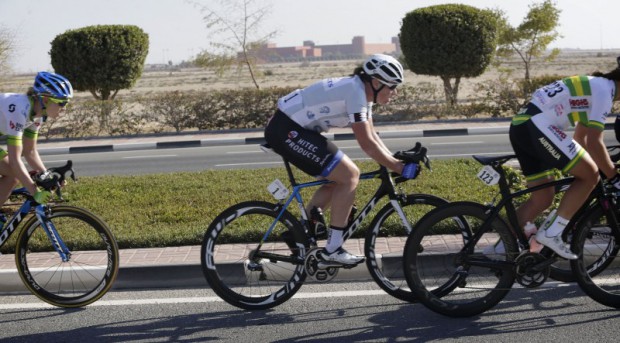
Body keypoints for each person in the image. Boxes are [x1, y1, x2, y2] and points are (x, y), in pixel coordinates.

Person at [264, 54, 419, 265]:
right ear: (375, 82)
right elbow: (366, 144)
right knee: (349, 175)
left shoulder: (362, 93)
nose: (395, 92)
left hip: (291, 127)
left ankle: (297, 234)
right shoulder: (355, 93)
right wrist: (399, 168)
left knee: (336, 179)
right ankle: (333, 249)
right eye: (392, 87)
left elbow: (373, 136)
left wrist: (393, 159)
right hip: (286, 129)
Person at [508, 57, 620, 260]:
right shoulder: (606, 91)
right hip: (538, 125)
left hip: (522, 126)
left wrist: (602, 163)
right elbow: (594, 142)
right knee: (590, 175)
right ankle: (552, 233)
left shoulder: (597, 87)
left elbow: (581, 140)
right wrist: (613, 176)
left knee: (542, 198)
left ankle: (503, 247)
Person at [0, 71, 73, 227]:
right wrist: (35, 192)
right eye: (62, 103)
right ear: (45, 99)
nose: (64, 108)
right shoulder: (20, 110)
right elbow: (15, 160)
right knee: (13, 173)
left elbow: (30, 151)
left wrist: (47, 175)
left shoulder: (38, 115)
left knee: (13, 175)